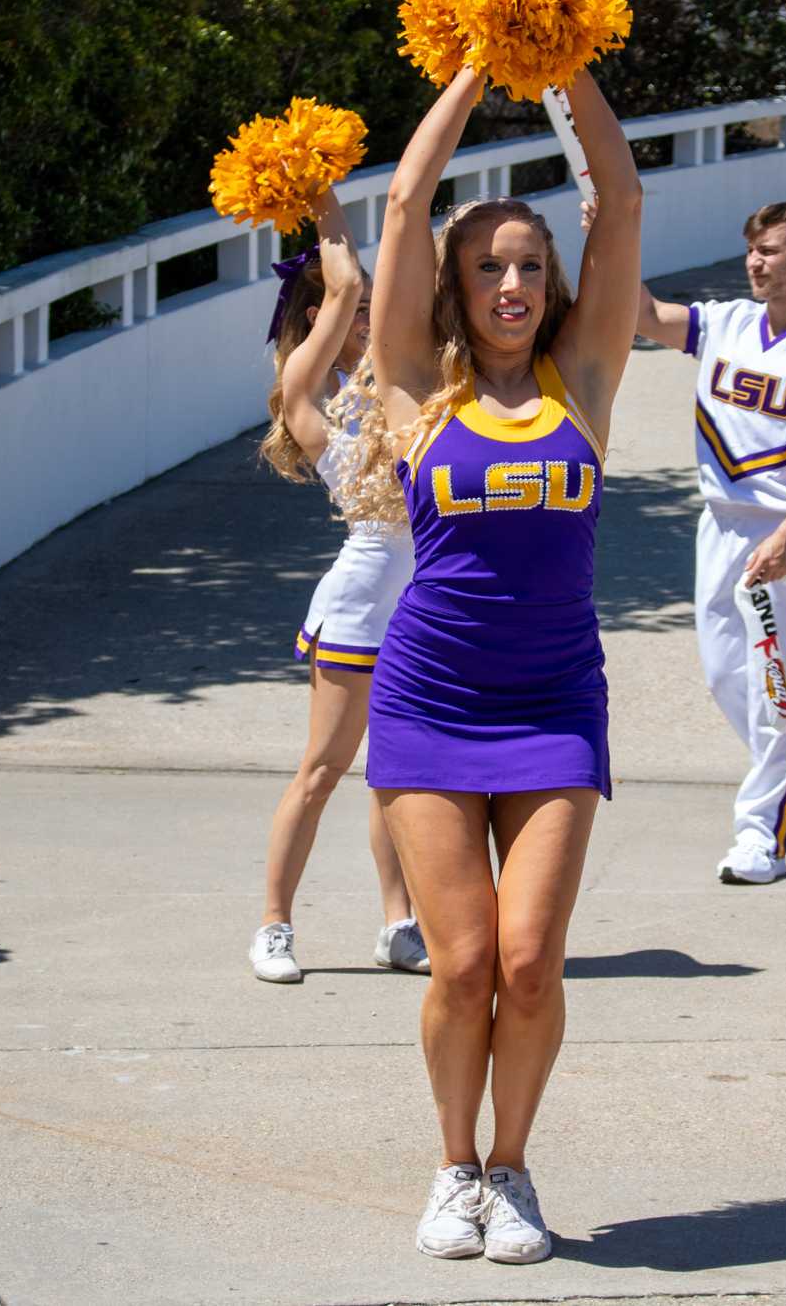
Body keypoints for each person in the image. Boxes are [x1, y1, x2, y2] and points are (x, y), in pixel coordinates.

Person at [364, 65, 641, 1264]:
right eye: (489, 267)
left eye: (530, 265)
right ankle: (450, 1167)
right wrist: (483, 63)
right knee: (461, 958)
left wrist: (561, 57)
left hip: (554, 705)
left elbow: (620, 202)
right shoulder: (416, 392)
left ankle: (514, 1171)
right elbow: (401, 205)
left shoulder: (586, 381)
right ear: (455, 287)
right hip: (428, 700)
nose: (514, 284)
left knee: (528, 965)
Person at [622, 200, 786, 884]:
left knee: (775, 688)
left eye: (769, 251)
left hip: (782, 536)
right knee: (724, 675)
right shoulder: (725, 323)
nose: (756, 263)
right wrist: (610, 234)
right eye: (752, 252)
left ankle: (759, 832)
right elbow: (645, 316)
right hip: (719, 526)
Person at [249, 188, 429, 981]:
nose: (361, 323)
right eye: (341, 317)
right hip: (359, 601)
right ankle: (273, 926)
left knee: (400, 773)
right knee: (323, 769)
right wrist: (320, 197)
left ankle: (400, 923)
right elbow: (354, 285)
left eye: (361, 318)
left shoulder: (411, 388)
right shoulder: (309, 399)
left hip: (426, 602)